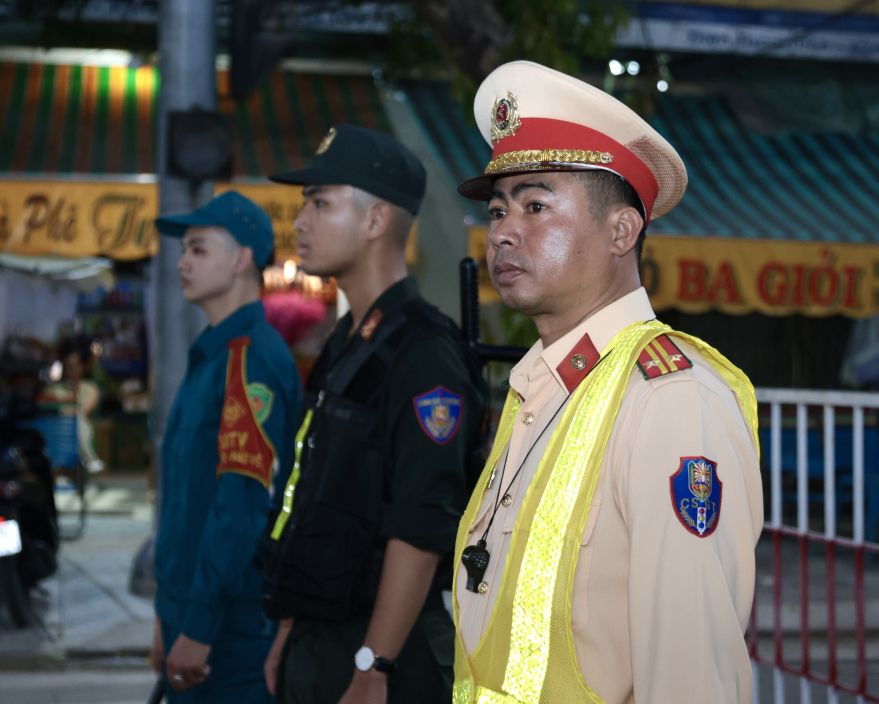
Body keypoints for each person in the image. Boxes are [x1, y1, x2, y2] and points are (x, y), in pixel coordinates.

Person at [450, 61, 763, 704]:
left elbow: (691, 677)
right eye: (498, 208)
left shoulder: (670, 399)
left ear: (622, 231)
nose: (503, 230)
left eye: (536, 205)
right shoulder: (539, 388)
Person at [260, 124, 489, 704]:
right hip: (322, 635)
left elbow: (421, 523)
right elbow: (315, 496)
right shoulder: (348, 342)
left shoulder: (422, 353)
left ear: (376, 220)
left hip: (387, 653)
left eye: (320, 203)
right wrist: (291, 626)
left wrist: (373, 664)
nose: (300, 223)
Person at [151, 191, 303, 704]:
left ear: (241, 260)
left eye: (197, 249)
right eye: (183, 250)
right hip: (190, 619)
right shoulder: (214, 356)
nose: (182, 262)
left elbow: (238, 509)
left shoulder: (249, 359)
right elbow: (183, 508)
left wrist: (196, 626)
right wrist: (166, 614)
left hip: (226, 634)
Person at [58, 337, 104, 475]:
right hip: (58, 430)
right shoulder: (57, 389)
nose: (71, 370)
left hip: (79, 427)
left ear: (82, 366)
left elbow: (85, 410)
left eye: (74, 366)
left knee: (77, 421)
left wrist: (67, 410)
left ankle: (90, 459)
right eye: (68, 366)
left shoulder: (90, 388)